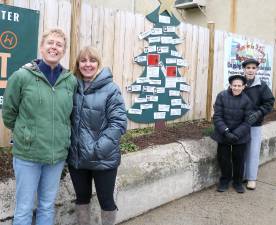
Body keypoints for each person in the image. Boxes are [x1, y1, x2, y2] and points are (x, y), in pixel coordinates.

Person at [2, 28, 77, 225]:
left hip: (56, 156)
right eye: (50, 43)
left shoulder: (70, 81)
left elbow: (70, 115)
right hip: (28, 155)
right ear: (42, 48)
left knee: (46, 205)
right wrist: (25, 133)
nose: (54, 47)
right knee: (24, 208)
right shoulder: (22, 77)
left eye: (59, 44)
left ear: (63, 50)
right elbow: (9, 113)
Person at [67, 46, 127, 225]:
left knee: (106, 201)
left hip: (102, 157)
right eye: (83, 60)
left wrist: (97, 150)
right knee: (81, 199)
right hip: (77, 158)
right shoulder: (71, 87)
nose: (87, 64)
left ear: (98, 64)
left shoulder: (111, 89)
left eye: (92, 60)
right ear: (78, 64)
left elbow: (118, 123)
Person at [212, 74, 252, 193]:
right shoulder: (222, 96)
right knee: (223, 158)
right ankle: (224, 181)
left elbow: (248, 120)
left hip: (240, 136)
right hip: (223, 133)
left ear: (244, 87)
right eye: (234, 85)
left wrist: (237, 134)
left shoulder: (247, 100)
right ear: (230, 85)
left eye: (239, 85)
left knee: (239, 159)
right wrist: (226, 131)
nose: (236, 88)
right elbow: (217, 116)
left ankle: (238, 182)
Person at [242, 58, 275, 190]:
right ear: (244, 69)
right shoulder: (239, 83)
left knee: (253, 151)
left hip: (255, 124)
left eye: (253, 68)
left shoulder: (262, 85)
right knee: (241, 150)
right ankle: (242, 175)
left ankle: (251, 178)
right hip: (240, 124)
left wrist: (259, 113)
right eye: (248, 68)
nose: (250, 70)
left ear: (257, 70)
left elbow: (269, 102)